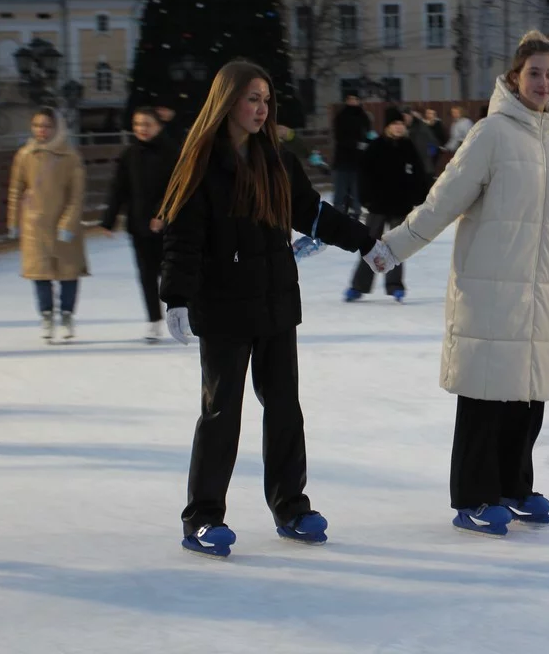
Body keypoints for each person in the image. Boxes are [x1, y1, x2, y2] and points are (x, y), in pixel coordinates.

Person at [367, 30, 549, 536]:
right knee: (486, 397)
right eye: (534, 73)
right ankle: (474, 497)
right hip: (490, 288)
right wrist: (393, 248)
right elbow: (444, 201)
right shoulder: (490, 135)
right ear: (514, 77)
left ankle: (513, 487)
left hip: (541, 289)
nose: (543, 82)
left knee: (528, 398)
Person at [158, 60, 385, 558]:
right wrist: (175, 296)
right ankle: (202, 517)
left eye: (265, 100)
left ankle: (291, 506)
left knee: (285, 408)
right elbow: (184, 236)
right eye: (251, 99)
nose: (261, 109)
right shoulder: (200, 163)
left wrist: (364, 242)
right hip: (223, 308)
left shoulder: (276, 161)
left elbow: (313, 212)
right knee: (222, 413)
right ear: (227, 101)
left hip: (277, 302)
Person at [7, 107, 89, 342]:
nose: (41, 130)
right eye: (37, 125)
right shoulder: (25, 155)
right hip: (35, 224)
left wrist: (69, 222)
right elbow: (16, 189)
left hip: (64, 223)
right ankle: (46, 315)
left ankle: (66, 315)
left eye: (46, 126)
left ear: (56, 127)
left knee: (67, 272)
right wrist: (13, 220)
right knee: (39, 272)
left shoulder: (70, 157)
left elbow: (77, 194)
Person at [100, 107, 181, 342]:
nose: (141, 129)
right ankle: (154, 320)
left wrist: (162, 214)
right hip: (138, 225)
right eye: (137, 124)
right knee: (146, 275)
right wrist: (109, 219)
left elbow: (176, 189)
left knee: (171, 274)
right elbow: (119, 189)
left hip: (169, 227)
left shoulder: (172, 152)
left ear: (158, 126)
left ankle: (180, 315)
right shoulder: (129, 154)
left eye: (147, 124)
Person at [345, 107, 428, 303]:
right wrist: (366, 198)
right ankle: (359, 286)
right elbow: (363, 175)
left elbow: (419, 174)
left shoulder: (408, 147)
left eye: (401, 124)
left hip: (401, 206)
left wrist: (419, 196)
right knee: (370, 245)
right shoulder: (376, 147)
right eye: (394, 125)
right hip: (378, 205)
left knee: (397, 248)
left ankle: (395, 286)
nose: (398, 128)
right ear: (387, 127)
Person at [331, 93, 371, 219]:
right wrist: (356, 144)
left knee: (356, 189)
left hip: (359, 160)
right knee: (341, 190)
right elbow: (339, 137)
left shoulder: (364, 116)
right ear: (346, 101)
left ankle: (356, 211)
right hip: (343, 159)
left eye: (355, 99)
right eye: (350, 99)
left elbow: (368, 133)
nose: (353, 102)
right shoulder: (341, 116)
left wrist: (367, 143)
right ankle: (339, 213)